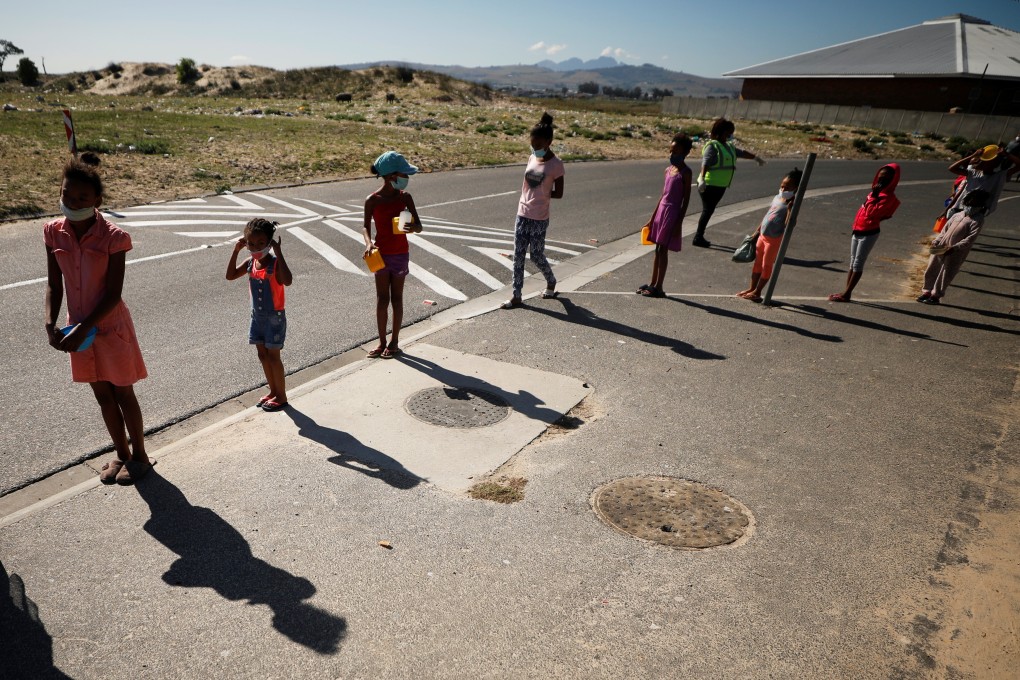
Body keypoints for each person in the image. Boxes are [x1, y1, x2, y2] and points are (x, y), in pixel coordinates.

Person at [44, 153, 151, 485]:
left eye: (81, 198)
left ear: (97, 201)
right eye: (67, 195)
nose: (72, 202)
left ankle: (141, 457)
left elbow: (113, 294)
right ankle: (120, 453)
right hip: (78, 329)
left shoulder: (113, 237)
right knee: (102, 396)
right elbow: (53, 283)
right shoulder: (52, 232)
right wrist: (50, 325)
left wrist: (83, 328)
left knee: (123, 393)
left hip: (109, 326)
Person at [226, 218, 293, 410]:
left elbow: (287, 281)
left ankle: (281, 396)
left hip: (274, 318)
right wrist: (235, 251)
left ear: (269, 243)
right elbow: (230, 275)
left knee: (273, 356)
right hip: (257, 317)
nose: (255, 248)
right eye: (251, 244)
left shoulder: (274, 264)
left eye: (261, 243)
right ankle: (273, 391)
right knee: (262, 355)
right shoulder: (250, 264)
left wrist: (279, 253)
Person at [361, 151, 422, 358]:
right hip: (380, 254)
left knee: (397, 298)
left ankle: (394, 342)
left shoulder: (405, 197)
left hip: (400, 254)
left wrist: (410, 227)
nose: (406, 179)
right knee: (381, 299)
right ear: (391, 176)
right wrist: (369, 243)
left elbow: (419, 226)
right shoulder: (373, 200)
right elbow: (365, 227)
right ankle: (381, 342)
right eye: (403, 175)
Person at [502, 112, 564, 309]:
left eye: (538, 145)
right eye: (532, 145)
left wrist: (543, 195)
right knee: (518, 255)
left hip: (539, 217)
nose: (535, 149)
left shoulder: (556, 165)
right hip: (522, 213)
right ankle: (516, 295)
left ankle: (551, 280)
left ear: (549, 142)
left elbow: (559, 193)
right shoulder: (531, 158)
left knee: (536, 255)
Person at [828, 163, 901, 303]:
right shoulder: (875, 193)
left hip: (869, 232)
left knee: (858, 263)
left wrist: (874, 196)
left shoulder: (887, 196)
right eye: (880, 177)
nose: (881, 181)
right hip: (858, 230)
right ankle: (846, 291)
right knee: (852, 262)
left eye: (885, 178)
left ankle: (847, 293)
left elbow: (871, 212)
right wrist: (873, 195)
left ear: (892, 180)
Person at [693, 117, 765, 248]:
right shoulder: (713, 146)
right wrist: (702, 179)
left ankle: (699, 236)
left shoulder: (728, 146)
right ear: (720, 132)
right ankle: (698, 237)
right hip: (709, 184)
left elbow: (741, 153)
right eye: (728, 133)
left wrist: (756, 158)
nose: (730, 135)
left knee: (709, 210)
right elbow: (706, 163)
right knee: (708, 210)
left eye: (731, 133)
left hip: (720, 185)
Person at [636, 133, 693, 298]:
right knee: (657, 249)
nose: (672, 155)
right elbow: (663, 195)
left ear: (685, 153)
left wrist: (679, 223)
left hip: (672, 213)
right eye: (671, 151)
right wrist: (652, 218)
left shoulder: (686, 172)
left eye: (676, 152)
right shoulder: (668, 170)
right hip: (662, 211)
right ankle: (653, 283)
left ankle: (659, 287)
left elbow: (686, 200)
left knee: (663, 250)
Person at [737, 168, 803, 303]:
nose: (783, 189)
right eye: (782, 186)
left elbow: (789, 224)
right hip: (762, 236)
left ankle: (758, 292)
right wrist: (756, 232)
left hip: (774, 239)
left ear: (796, 188)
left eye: (787, 187)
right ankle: (752, 288)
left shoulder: (792, 203)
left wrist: (790, 209)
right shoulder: (777, 198)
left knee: (766, 265)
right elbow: (767, 216)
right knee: (757, 263)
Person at [917, 189, 989, 305]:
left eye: (975, 204)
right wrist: (937, 241)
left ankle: (936, 295)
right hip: (941, 246)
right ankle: (927, 291)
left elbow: (970, 239)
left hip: (956, 251)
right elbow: (944, 230)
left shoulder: (978, 220)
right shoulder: (957, 215)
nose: (971, 206)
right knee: (932, 268)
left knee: (946, 273)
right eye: (970, 203)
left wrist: (955, 247)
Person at [946, 145, 1013, 218]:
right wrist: (973, 155)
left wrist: (1007, 154)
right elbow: (952, 168)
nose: (979, 162)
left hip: (977, 213)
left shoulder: (998, 177)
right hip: (960, 209)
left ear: (994, 164)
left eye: (984, 162)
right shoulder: (973, 173)